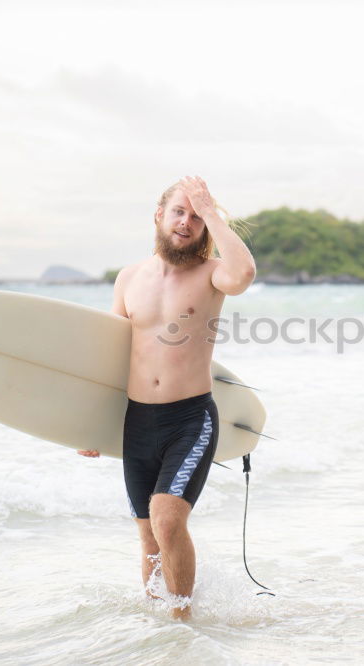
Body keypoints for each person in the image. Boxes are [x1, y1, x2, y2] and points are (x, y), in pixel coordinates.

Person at [78, 176, 256, 619]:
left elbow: (245, 274)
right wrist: (88, 426)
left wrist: (212, 211)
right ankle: (159, 629)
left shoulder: (212, 274)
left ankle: (183, 625)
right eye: (180, 211)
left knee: (167, 517)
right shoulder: (129, 279)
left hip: (190, 420)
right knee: (148, 536)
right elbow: (110, 359)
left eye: (197, 217)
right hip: (138, 422)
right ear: (159, 216)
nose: (187, 222)